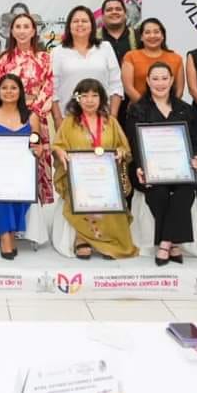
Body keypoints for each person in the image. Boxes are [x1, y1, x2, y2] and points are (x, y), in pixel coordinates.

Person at [124, 62, 197, 265]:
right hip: (147, 169)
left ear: (172, 80)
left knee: (186, 190)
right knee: (158, 192)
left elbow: (196, 141)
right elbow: (133, 143)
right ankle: (174, 244)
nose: (160, 83)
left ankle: (166, 242)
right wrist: (140, 167)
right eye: (155, 79)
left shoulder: (185, 109)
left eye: (164, 78)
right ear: (148, 81)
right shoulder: (137, 110)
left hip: (180, 169)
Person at [51, 79, 137, 259]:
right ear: (77, 99)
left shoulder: (111, 122)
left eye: (94, 95)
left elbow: (124, 147)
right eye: (85, 96)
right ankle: (82, 237)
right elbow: (57, 145)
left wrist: (121, 152)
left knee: (110, 193)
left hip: (105, 177)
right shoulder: (68, 122)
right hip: (79, 178)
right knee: (81, 193)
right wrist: (60, 152)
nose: (89, 100)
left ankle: (109, 241)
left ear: (102, 98)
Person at [0, 74, 44, 259]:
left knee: (22, 185)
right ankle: (6, 236)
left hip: (23, 170)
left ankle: (11, 232)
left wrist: (39, 151)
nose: (9, 91)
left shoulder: (31, 117)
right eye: (4, 88)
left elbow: (37, 145)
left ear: (20, 92)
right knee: (2, 187)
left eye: (13, 88)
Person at [0, 12, 54, 203]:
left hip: (36, 117)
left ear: (34, 31)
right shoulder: (3, 60)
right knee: (11, 165)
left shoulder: (45, 58)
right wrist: (15, 109)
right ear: (11, 31)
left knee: (36, 162)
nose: (22, 31)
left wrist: (33, 112)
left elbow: (50, 86)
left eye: (26, 27)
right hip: (9, 118)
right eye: (18, 27)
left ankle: (34, 213)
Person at [52, 5, 123, 126]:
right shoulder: (58, 52)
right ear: (69, 26)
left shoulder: (105, 47)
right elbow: (53, 89)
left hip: (103, 119)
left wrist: (113, 116)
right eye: (75, 21)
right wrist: (58, 119)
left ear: (92, 25)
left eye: (84, 21)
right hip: (69, 119)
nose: (80, 24)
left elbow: (116, 84)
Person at [121, 17, 184, 105]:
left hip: (170, 109)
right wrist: (148, 108)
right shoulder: (130, 56)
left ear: (163, 36)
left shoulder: (176, 58)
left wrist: (168, 107)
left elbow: (179, 90)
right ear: (141, 37)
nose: (152, 36)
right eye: (147, 32)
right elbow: (128, 88)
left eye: (156, 32)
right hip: (139, 109)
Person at [97, 0, 138, 66]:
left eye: (118, 9)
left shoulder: (138, 36)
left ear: (125, 14)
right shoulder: (92, 37)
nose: (114, 12)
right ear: (102, 16)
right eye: (109, 10)